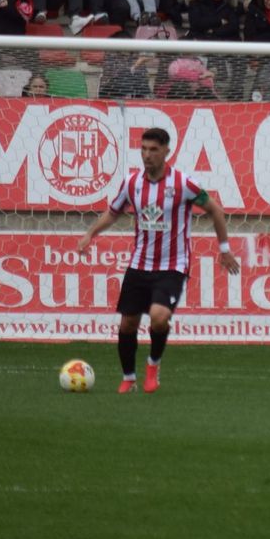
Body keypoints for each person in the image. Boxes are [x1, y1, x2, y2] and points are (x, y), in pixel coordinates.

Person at [76, 127, 240, 393]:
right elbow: (113, 212)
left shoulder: (183, 184)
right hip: (140, 263)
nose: (147, 155)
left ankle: (153, 364)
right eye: (143, 149)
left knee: (158, 316)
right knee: (128, 322)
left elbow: (216, 211)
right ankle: (128, 378)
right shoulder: (132, 183)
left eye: (153, 149)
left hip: (173, 264)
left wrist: (224, 249)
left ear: (166, 151)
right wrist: (90, 234)